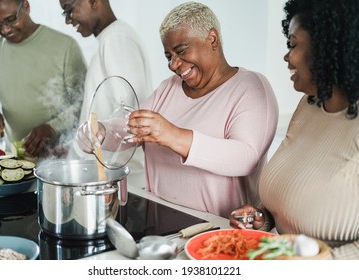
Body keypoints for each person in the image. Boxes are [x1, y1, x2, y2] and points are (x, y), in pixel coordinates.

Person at [78, 1, 279, 217]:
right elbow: (131, 127)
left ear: (212, 39)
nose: (173, 65)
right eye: (168, 56)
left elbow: (245, 158)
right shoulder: (168, 88)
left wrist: (172, 135)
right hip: (159, 221)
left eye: (181, 51)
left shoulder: (250, 87)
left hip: (220, 229)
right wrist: (101, 131)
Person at [229, 0, 359, 260]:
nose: (286, 57)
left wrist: (318, 263)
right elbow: (292, 197)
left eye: (293, 44)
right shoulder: (308, 106)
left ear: (326, 47)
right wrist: (262, 218)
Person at [0, 0, 86, 158]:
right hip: (14, 157)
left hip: (60, 158)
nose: (5, 29)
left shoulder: (66, 47)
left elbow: (83, 103)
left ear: (26, 6)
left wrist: (52, 127)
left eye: (11, 19)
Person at [59, 0, 152, 186]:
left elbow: (128, 113)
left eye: (69, 10)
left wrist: (82, 147)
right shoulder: (111, 37)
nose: (68, 21)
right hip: (111, 176)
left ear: (93, 2)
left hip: (120, 180)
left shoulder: (116, 39)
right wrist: (74, 147)